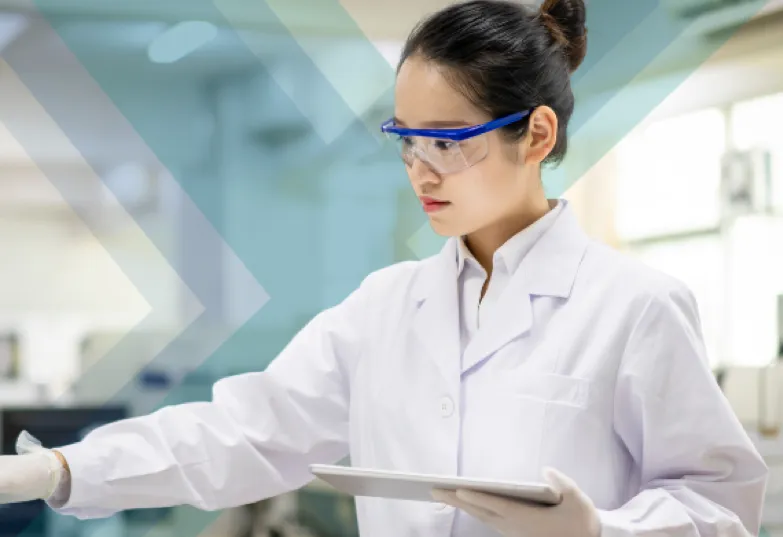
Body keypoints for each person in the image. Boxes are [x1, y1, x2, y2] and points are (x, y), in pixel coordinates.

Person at [0, 0, 768, 535]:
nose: (421, 170)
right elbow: (245, 432)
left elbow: (719, 503)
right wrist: (58, 470)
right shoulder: (387, 304)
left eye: (448, 139)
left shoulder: (633, 305)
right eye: (406, 138)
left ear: (535, 135)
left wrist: (600, 530)